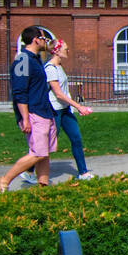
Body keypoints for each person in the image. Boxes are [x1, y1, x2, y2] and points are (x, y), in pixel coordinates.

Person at [0, 26, 57, 192]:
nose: (46, 42)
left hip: (44, 111)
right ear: (36, 39)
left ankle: (43, 187)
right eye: (44, 38)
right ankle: (4, 180)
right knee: (38, 153)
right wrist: (25, 118)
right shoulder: (23, 59)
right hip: (34, 112)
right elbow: (19, 92)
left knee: (45, 153)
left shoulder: (35, 58)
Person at [45, 39, 96, 180]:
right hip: (55, 110)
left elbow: (64, 92)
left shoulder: (59, 66)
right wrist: (79, 106)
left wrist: (74, 107)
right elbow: (58, 94)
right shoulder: (50, 68)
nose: (68, 51)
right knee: (48, 143)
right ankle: (30, 170)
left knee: (76, 138)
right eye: (65, 48)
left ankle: (83, 172)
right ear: (56, 50)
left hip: (65, 110)